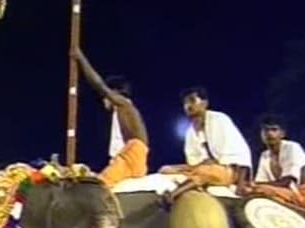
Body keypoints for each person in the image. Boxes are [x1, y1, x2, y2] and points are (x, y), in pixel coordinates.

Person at [160, 87, 252, 204]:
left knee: (206, 171)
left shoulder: (220, 120)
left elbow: (241, 155)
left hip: (228, 171)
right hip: (201, 168)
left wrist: (240, 186)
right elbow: (193, 163)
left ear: (205, 103)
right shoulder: (190, 132)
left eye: (192, 100)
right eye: (185, 103)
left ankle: (173, 195)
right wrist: (178, 168)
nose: (188, 106)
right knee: (165, 170)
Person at [74, 48, 149, 187]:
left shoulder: (123, 103)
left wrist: (80, 58)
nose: (104, 101)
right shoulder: (120, 111)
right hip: (126, 157)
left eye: (105, 97)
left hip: (132, 155)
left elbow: (98, 85)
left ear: (114, 93)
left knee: (98, 187)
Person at [246, 115, 305, 213]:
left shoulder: (292, 148)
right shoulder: (265, 155)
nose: (269, 133)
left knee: (256, 190)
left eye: (274, 130)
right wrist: (253, 185)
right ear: (261, 134)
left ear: (282, 134)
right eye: (266, 130)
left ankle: (303, 210)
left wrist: (254, 185)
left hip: (301, 197)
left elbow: (286, 182)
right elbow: (261, 181)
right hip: (282, 193)